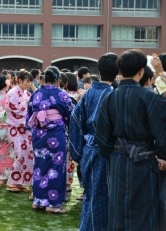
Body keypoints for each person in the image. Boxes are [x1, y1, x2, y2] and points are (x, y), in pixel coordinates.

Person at [95, 49, 166, 230]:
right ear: (141, 71)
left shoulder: (109, 97)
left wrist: (113, 152)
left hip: (118, 162)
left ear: (120, 70)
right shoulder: (150, 98)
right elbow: (163, 135)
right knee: (145, 212)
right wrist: (160, 155)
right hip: (144, 162)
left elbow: (102, 137)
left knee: (118, 210)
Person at [69, 53, 119, 231]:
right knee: (102, 197)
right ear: (118, 71)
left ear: (99, 70)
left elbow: (75, 120)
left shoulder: (89, 93)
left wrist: (78, 153)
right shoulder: (112, 94)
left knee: (91, 195)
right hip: (105, 152)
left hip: (88, 151)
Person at [26, 68, 74, 214]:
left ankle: (39, 201)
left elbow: (29, 114)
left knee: (40, 165)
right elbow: (72, 112)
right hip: (55, 134)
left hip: (39, 134)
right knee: (55, 167)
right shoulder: (61, 94)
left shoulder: (36, 94)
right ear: (58, 79)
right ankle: (52, 204)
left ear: (42, 78)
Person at [5, 70, 34, 192]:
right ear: (20, 80)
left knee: (28, 153)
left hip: (25, 128)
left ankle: (21, 181)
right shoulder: (12, 92)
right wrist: (26, 103)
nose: (29, 83)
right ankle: (13, 181)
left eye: (30, 81)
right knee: (20, 153)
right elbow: (11, 108)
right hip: (15, 128)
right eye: (27, 81)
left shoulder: (27, 93)